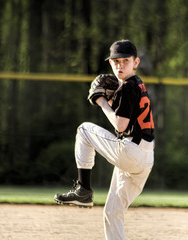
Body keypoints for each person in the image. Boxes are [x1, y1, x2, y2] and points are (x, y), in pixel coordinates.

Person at [54, 39, 155, 240]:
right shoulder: (137, 85)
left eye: (125, 61)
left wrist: (101, 101)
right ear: (110, 63)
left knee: (84, 130)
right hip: (145, 159)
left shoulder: (127, 87)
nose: (120, 65)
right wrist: (111, 98)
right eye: (116, 61)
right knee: (112, 213)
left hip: (130, 152)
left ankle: (83, 188)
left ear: (136, 62)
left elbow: (120, 126)